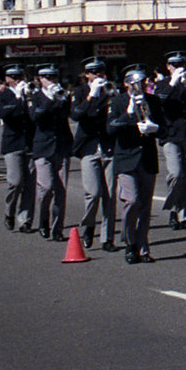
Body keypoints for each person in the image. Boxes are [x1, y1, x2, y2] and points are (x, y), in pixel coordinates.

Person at [108, 65, 162, 264]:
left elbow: (165, 128)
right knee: (131, 201)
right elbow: (110, 129)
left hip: (147, 158)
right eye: (134, 83)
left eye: (141, 82)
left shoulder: (153, 101)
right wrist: (129, 114)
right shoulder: (117, 101)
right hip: (126, 158)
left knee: (145, 207)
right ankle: (130, 243)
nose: (139, 86)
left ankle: (143, 247)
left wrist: (155, 128)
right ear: (126, 84)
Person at [70, 59, 118, 251]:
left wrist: (111, 95)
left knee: (110, 195)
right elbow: (76, 115)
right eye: (94, 72)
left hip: (108, 146)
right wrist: (91, 96)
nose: (98, 75)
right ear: (87, 75)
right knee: (93, 192)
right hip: (89, 147)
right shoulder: (80, 92)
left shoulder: (110, 90)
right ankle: (89, 225)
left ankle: (107, 239)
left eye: (101, 72)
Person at [151, 52, 186, 231]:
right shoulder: (162, 84)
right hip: (171, 135)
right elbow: (159, 101)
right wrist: (172, 83)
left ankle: (185, 216)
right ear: (168, 67)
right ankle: (173, 209)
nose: (179, 68)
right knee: (176, 174)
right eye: (175, 65)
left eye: (181, 65)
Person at [29, 66, 72, 240]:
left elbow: (69, 113)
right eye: (47, 77)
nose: (51, 80)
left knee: (61, 191)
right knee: (46, 187)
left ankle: (57, 229)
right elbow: (36, 117)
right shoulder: (35, 96)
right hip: (43, 147)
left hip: (61, 146)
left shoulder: (62, 95)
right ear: (40, 79)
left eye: (53, 77)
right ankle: (43, 221)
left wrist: (62, 98)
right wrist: (49, 98)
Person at [0, 67, 33, 229]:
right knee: (15, 182)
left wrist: (28, 96)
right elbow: (4, 114)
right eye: (13, 77)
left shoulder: (30, 93)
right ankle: (9, 212)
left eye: (19, 77)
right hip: (12, 144)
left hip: (29, 143)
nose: (17, 80)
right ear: (7, 79)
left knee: (29, 185)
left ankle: (25, 220)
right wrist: (18, 97)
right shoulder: (3, 96)